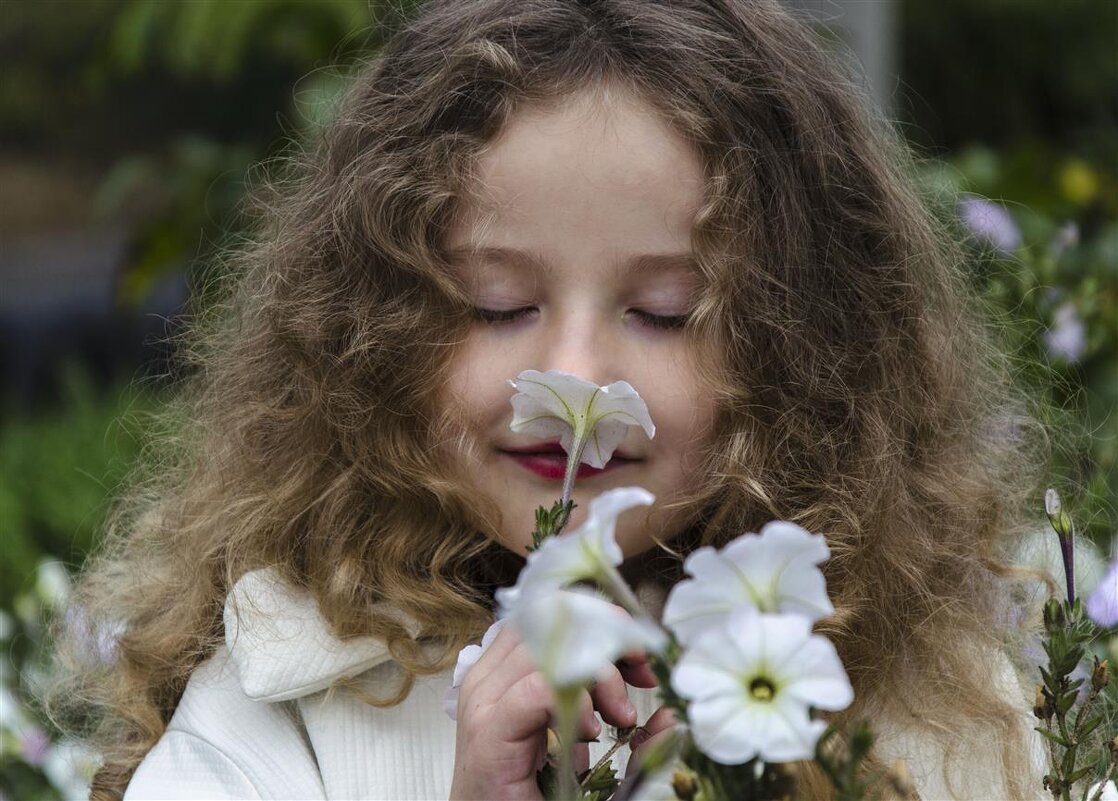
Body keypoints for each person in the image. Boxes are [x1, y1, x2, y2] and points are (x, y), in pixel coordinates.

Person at [48, 0, 1049, 798]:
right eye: (496, 305)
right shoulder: (284, 691)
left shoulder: (923, 708)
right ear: (371, 336)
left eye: (662, 312)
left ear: (802, 352)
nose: (575, 376)